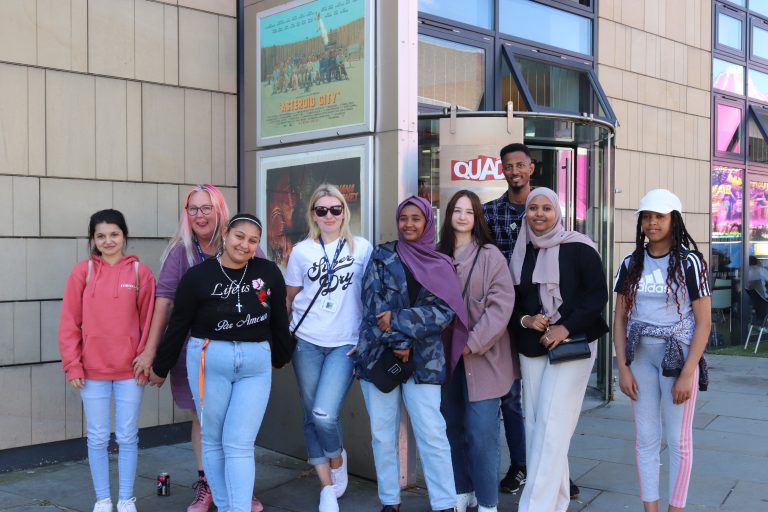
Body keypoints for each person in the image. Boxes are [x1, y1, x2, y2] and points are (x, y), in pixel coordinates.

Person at [132, 185, 265, 512]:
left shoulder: (241, 244)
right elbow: (164, 303)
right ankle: (209, 485)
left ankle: (237, 487)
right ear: (186, 214)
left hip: (240, 351)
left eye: (206, 208)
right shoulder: (182, 253)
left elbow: (266, 295)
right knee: (205, 420)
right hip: (193, 353)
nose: (200, 215)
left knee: (235, 423)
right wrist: (151, 352)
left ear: (220, 210)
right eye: (193, 209)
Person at [149, 214, 293, 512]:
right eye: (240, 237)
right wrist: (160, 366)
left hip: (255, 363)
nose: (245, 245)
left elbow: (280, 319)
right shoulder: (198, 277)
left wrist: (280, 357)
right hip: (208, 359)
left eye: (253, 240)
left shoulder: (267, 272)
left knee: (239, 442)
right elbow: (179, 324)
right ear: (226, 234)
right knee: (213, 438)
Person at [354, 195, 469, 512]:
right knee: (382, 434)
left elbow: (444, 311)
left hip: (425, 361)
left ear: (427, 222)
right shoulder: (382, 256)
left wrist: (402, 328)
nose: (408, 224)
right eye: (403, 218)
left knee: (432, 433)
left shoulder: (440, 263)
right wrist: (398, 343)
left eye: (416, 218)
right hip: (380, 356)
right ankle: (390, 501)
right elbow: (372, 304)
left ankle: (445, 503)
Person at [508, 188, 608, 512]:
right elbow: (511, 300)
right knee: (538, 425)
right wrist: (526, 319)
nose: (538, 214)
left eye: (546, 208)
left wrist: (565, 326)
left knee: (552, 425)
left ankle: (534, 506)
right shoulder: (521, 250)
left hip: (574, 344)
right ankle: (558, 499)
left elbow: (597, 296)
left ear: (558, 212)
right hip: (531, 345)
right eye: (533, 208)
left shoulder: (580, 247)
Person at [613, 189, 711, 512]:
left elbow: (704, 323)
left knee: (678, 439)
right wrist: (622, 368)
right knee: (646, 438)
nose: (652, 223)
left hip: (678, 357)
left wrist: (688, 373)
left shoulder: (690, 263)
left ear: (674, 219)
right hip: (639, 357)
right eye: (647, 216)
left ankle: (675, 509)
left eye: (660, 216)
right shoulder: (631, 264)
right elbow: (620, 319)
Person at [59, 209, 156, 512]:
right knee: (98, 437)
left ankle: (126, 498)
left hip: (130, 371)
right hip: (92, 370)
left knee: (128, 435)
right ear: (93, 239)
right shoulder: (82, 271)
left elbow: (150, 320)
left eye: (114, 234)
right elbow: (69, 323)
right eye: (100, 235)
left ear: (124, 235)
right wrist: (72, 363)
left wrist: (144, 360)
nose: (108, 240)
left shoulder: (140, 273)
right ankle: (103, 499)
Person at [285, 184, 373, 512]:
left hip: (345, 343)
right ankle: (325, 488)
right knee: (311, 415)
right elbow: (290, 298)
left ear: (344, 212)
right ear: (313, 215)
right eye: (321, 210)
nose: (329, 216)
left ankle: (336, 458)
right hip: (306, 342)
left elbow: (372, 296)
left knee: (324, 412)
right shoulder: (301, 251)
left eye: (335, 209)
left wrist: (365, 337)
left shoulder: (361, 249)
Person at [437, 190, 516, 512]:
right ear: (449, 215)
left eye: (469, 212)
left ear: (477, 217)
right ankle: (462, 489)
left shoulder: (490, 256)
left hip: (483, 360)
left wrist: (470, 343)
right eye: (457, 210)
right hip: (444, 361)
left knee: (481, 433)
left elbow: (501, 306)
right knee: (451, 427)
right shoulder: (436, 255)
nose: (463, 216)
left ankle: (487, 501)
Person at [482, 142, 531, 495]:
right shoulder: (488, 214)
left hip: (540, 316)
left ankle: (551, 465)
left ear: (531, 168)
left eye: (519, 165)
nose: (513, 171)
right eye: (507, 166)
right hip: (502, 317)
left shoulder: (545, 209)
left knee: (546, 398)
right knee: (510, 397)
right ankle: (519, 466)